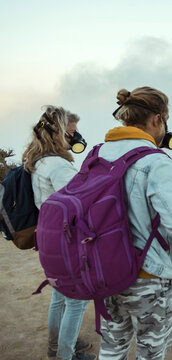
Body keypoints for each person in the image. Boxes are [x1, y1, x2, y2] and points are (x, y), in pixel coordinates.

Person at [98, 86, 172, 359]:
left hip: (108, 272)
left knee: (112, 347)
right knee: (151, 351)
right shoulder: (155, 161)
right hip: (149, 277)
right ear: (157, 119)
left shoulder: (99, 153)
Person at [22, 107, 95, 360]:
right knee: (77, 298)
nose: (76, 139)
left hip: (48, 235)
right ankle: (66, 354)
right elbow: (77, 204)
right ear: (59, 134)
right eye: (72, 133)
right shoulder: (58, 165)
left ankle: (57, 346)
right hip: (66, 238)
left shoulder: (39, 160)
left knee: (60, 295)